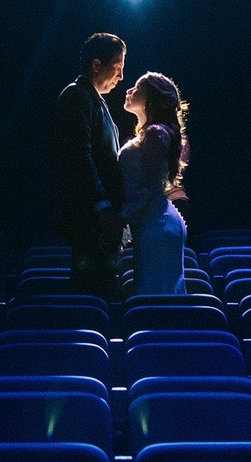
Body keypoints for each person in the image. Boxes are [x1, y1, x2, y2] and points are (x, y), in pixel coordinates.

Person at [51, 32, 127, 300]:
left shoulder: (95, 101)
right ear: (97, 65)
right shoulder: (76, 96)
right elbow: (79, 157)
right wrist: (102, 206)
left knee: (103, 288)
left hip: (100, 219)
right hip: (90, 219)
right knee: (93, 292)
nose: (120, 77)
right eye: (117, 68)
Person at [119, 70, 189, 297]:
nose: (129, 90)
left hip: (156, 224)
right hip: (150, 220)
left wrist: (120, 218)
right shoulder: (149, 133)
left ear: (152, 97)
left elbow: (148, 187)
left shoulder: (156, 133)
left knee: (157, 295)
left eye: (137, 88)